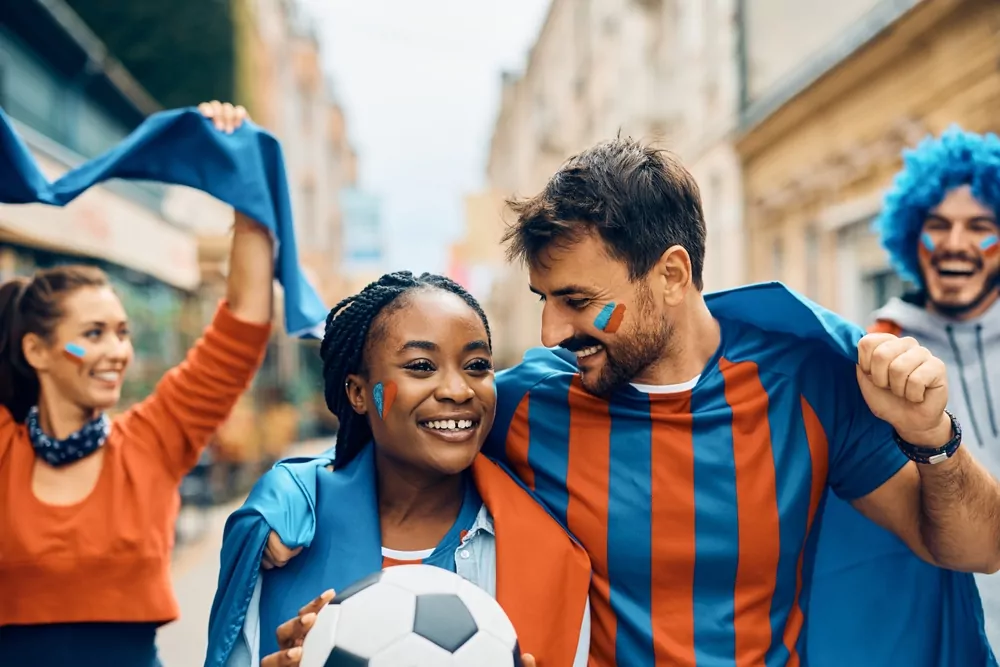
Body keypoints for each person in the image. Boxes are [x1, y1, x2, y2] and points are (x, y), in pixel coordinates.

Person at [262, 137, 1000, 666]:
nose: (551, 331)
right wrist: (291, 493)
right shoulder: (522, 404)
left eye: (578, 300)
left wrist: (933, 437)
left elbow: (975, 546)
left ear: (672, 274)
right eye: (544, 301)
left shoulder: (807, 381)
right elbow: (389, 458)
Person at [0, 102, 273, 667]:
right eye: (93, 333)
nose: (118, 352)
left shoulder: (152, 442)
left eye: (123, 333)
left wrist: (238, 174)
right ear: (36, 351)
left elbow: (243, 324)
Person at [206, 272, 591, 667]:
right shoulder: (283, 539)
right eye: (422, 366)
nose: (458, 390)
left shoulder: (550, 555)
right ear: (358, 393)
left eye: (477, 365)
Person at [809, 126, 1000, 664]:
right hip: (946, 630)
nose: (956, 243)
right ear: (912, 238)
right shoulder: (878, 352)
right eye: (937, 226)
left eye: (980, 227)